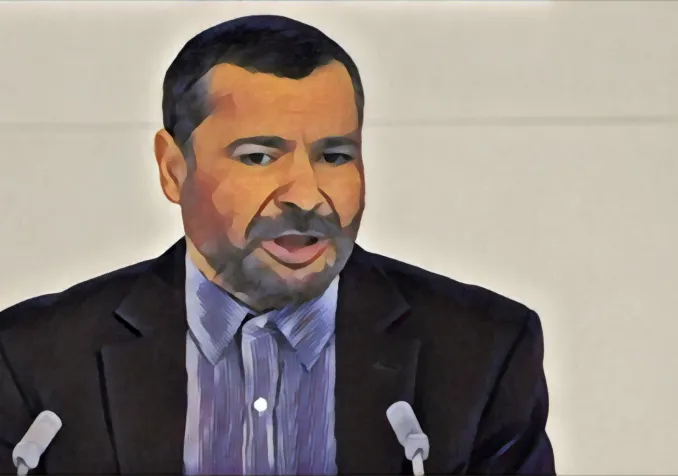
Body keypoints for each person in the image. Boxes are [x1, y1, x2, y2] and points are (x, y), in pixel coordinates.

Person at [0, 15, 555, 475]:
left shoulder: (483, 352)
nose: (307, 196)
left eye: (335, 156)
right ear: (173, 170)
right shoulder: (33, 358)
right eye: (259, 157)